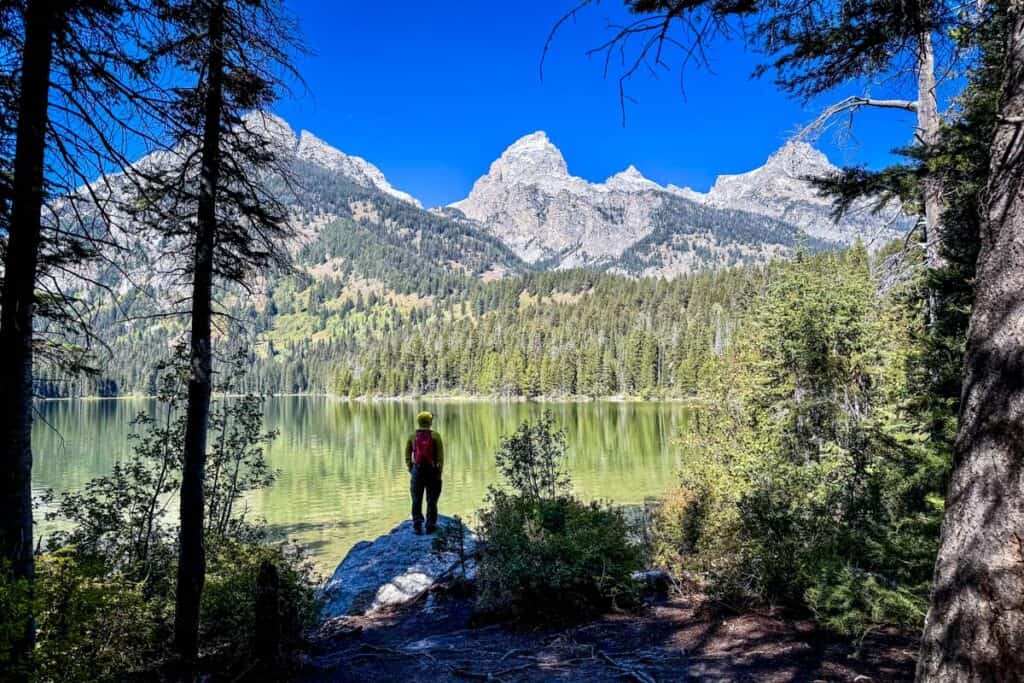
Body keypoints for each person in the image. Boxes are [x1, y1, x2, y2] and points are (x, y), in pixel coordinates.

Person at [405, 411, 444, 534]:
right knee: (432, 499)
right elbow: (440, 457)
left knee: (416, 499)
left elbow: (407, 454)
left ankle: (417, 525)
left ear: (419, 422)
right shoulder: (436, 436)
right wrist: (439, 472)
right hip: (432, 471)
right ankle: (430, 525)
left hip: (417, 470)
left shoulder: (412, 436)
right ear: (430, 422)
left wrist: (411, 468)